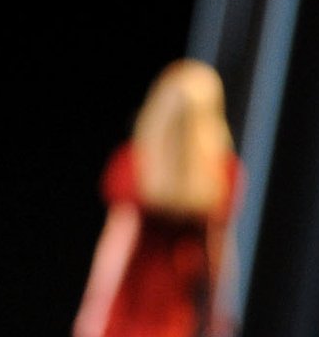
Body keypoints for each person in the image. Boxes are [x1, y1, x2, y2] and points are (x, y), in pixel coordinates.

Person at [74, 58, 244, 337]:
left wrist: (92, 312)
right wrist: (219, 314)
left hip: (129, 310)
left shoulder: (137, 165)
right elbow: (218, 253)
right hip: (175, 317)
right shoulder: (220, 174)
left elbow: (117, 245)